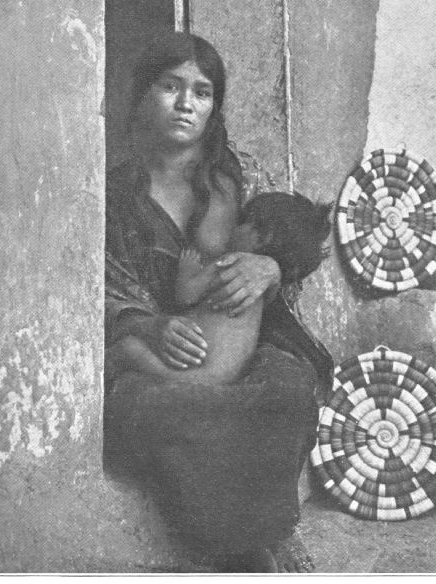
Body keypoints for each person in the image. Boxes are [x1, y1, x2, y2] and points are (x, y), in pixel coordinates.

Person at [103, 32, 333, 573]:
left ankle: (264, 539)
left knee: (288, 384)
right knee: (170, 409)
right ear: (142, 93)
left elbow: (298, 234)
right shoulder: (108, 192)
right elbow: (87, 284)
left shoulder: (239, 176)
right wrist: (149, 323)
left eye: (202, 92)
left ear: (214, 105)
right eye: (170, 86)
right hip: (149, 356)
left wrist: (272, 267)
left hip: (237, 340)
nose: (187, 104)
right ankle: (239, 549)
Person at [117, 191, 332, 385]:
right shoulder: (266, 290)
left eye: (242, 222)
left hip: (198, 367)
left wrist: (186, 269)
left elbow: (185, 295)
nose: (234, 229)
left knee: (129, 348)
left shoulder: (235, 264)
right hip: (228, 373)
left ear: (261, 237)